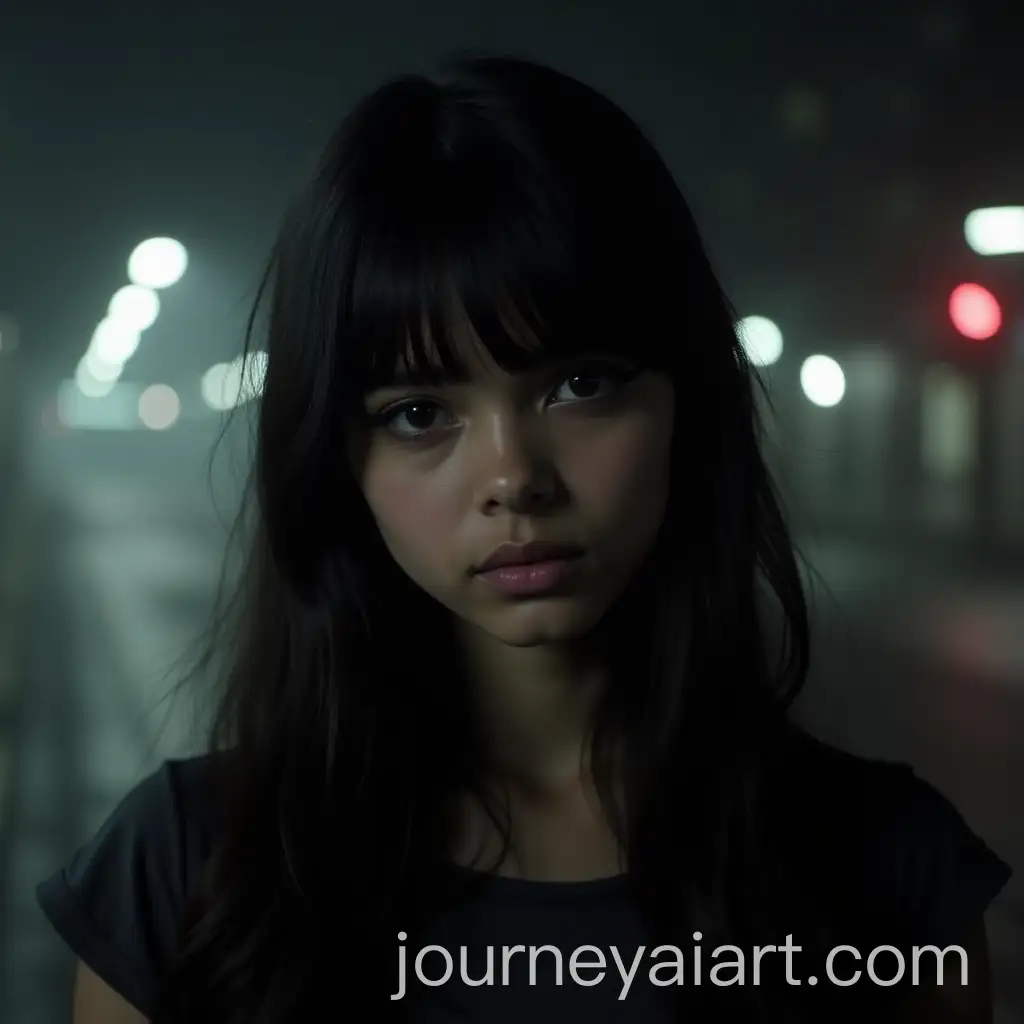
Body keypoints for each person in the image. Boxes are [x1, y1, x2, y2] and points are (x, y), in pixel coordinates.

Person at [38, 52, 1011, 1024]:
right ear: (339, 459)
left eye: (579, 383)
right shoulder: (186, 876)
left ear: (686, 400)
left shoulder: (889, 875)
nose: (513, 477)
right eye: (420, 412)